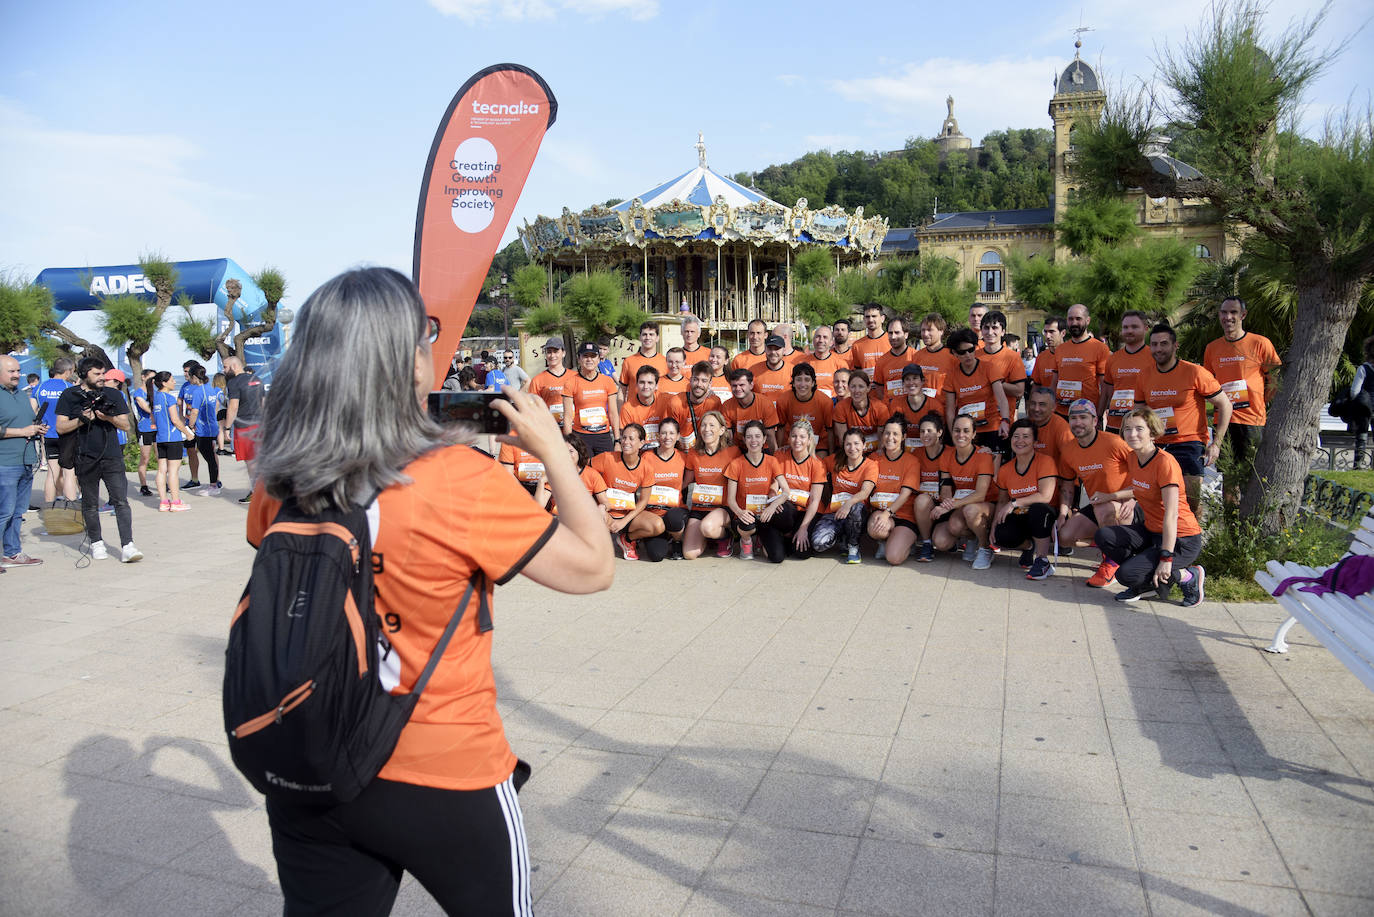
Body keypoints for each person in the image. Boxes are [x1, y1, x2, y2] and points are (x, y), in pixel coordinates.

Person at [245, 266, 612, 915]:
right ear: (406, 365)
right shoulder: (459, 477)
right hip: (444, 767)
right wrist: (554, 451)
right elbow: (592, 565)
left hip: (312, 760)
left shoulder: (282, 477)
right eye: (424, 340)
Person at [1095, 407, 1206, 606]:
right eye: (1127, 429)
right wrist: (1110, 496)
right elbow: (1139, 487)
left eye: (1139, 429)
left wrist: (1166, 558)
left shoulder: (1165, 463)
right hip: (1153, 530)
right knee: (1105, 536)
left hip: (1182, 538)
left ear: (1152, 432)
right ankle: (1146, 579)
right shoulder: (1133, 457)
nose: (1132, 434)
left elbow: (1171, 515)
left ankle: (1187, 576)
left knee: (1125, 575)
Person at [1138, 323, 1232, 515]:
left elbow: (1225, 404)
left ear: (1175, 346)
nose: (1158, 349)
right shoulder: (1144, 375)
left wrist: (1217, 443)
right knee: (1156, 503)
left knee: (1191, 503)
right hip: (1156, 446)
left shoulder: (1194, 372)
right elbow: (1138, 413)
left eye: (1163, 344)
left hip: (1188, 445)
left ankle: (1193, 543)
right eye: (1154, 344)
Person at [55, 358, 141, 562]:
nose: (103, 378)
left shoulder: (113, 393)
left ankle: (128, 545)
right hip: (85, 456)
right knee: (90, 504)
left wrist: (107, 417)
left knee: (121, 501)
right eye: (97, 374)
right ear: (84, 374)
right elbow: (60, 427)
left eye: (104, 374)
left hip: (112, 455)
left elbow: (126, 425)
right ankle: (96, 543)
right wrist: (83, 419)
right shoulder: (69, 395)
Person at [1202, 297, 1282, 500]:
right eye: (1223, 312)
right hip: (1224, 422)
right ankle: (1231, 525)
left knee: (1251, 478)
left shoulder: (1260, 343)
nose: (1228, 317)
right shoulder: (1212, 348)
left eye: (1233, 313)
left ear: (1243, 315)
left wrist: (1261, 402)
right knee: (1228, 477)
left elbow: (1275, 378)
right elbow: (1208, 384)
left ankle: (1250, 525)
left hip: (1251, 421)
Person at [1056, 399, 1136, 587]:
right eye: (1073, 418)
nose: (1078, 422)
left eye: (1083, 417)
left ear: (1095, 421)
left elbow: (1144, 470)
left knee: (1103, 509)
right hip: (1100, 504)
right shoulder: (1068, 451)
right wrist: (1062, 514)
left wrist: (1133, 497)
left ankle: (1112, 562)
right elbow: (1067, 487)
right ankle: (1112, 547)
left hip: (1129, 503)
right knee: (1065, 537)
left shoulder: (1114, 442)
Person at [992, 419, 1059, 580]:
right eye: (1016, 436)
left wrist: (1014, 502)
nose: (1020, 441)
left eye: (1026, 436)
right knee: (1001, 535)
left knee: (1038, 508)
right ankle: (1029, 546)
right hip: (1020, 515)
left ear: (1035, 441)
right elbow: (1001, 501)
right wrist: (994, 525)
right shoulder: (1005, 469)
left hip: (1045, 516)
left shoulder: (1045, 462)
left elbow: (1045, 496)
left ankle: (1042, 560)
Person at [932, 413, 995, 569]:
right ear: (951, 432)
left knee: (971, 511)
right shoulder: (947, 455)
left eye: (966, 431)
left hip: (986, 503)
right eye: (957, 430)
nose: (961, 435)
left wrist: (952, 505)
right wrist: (946, 503)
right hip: (962, 503)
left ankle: (985, 548)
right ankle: (973, 537)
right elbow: (946, 487)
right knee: (950, 531)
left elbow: (980, 494)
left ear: (974, 434)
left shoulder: (983, 456)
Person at [759, 419, 827, 562]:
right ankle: (771, 533)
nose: (797, 440)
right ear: (789, 438)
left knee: (802, 553)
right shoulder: (780, 455)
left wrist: (803, 528)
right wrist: (772, 497)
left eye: (802, 437)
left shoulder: (817, 464)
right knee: (776, 557)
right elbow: (774, 484)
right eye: (794, 436)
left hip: (806, 512)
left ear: (809, 440)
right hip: (785, 509)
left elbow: (815, 501)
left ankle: (787, 537)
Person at [0, 354, 45, 570]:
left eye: (18, 370)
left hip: (26, 461)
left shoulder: (19, 394)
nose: (18, 375)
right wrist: (22, 431)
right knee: (4, 512)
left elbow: (26, 423)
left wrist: (36, 429)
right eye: (12, 371)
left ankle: (12, 553)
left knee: (18, 512)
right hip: (5, 463)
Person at [812, 428, 877, 562]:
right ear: (843, 446)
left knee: (856, 507)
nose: (852, 448)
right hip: (834, 512)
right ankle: (842, 538)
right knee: (819, 544)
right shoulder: (835, 460)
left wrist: (848, 504)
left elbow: (865, 492)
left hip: (856, 513)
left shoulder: (870, 465)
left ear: (864, 445)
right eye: (848, 444)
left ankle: (853, 546)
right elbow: (815, 461)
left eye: (856, 443)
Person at [681, 410, 739, 559]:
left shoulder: (733, 452)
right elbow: (686, 482)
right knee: (689, 554)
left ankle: (726, 537)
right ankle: (709, 537)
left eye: (712, 425)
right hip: (700, 507)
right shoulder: (694, 453)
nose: (707, 429)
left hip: (723, 508)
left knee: (707, 527)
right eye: (704, 425)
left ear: (721, 430)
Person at [724, 420, 785, 561]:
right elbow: (731, 500)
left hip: (765, 516)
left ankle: (761, 538)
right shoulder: (736, 464)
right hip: (746, 516)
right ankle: (746, 540)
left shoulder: (772, 461)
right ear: (744, 439)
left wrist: (773, 506)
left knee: (777, 558)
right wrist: (740, 512)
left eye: (758, 436)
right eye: (749, 437)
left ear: (764, 439)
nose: (753, 441)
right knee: (747, 524)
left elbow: (786, 491)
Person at [590, 424, 653, 559]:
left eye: (631, 438)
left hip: (627, 516)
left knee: (656, 526)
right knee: (599, 555)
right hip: (605, 513)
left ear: (641, 443)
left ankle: (627, 539)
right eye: (624, 438)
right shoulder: (607, 458)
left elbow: (643, 501)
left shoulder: (646, 468)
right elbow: (583, 469)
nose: (626, 442)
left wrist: (624, 521)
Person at [944, 328, 1010, 453]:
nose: (968, 355)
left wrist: (1005, 421)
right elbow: (950, 410)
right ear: (955, 353)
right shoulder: (951, 375)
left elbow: (1001, 399)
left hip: (992, 427)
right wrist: (954, 433)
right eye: (962, 352)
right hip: (967, 432)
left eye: (971, 350)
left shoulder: (989, 368)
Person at [866, 415, 921, 565]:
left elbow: (905, 495)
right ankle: (885, 541)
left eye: (895, 434)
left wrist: (887, 514)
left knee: (894, 558)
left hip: (904, 516)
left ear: (903, 437)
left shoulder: (912, 461)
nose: (890, 437)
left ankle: (907, 542)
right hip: (880, 511)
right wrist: (883, 515)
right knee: (875, 529)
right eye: (887, 433)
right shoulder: (873, 458)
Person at [635, 417, 689, 561]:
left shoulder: (683, 458)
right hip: (653, 513)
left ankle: (677, 540)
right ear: (658, 435)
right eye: (663, 433)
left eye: (671, 433)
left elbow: (691, 477)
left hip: (675, 509)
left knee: (674, 518)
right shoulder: (647, 457)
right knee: (656, 556)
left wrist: (678, 489)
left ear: (678, 436)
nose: (667, 437)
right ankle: (660, 535)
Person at [1051, 304, 1111, 418]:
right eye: (1070, 319)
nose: (1074, 323)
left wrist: (1098, 414)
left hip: (1087, 413)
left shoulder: (1100, 348)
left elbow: (1105, 387)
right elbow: (1054, 383)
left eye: (1078, 319)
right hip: (1061, 412)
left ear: (1088, 321)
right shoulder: (1060, 349)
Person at [562, 342, 621, 456]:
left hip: (603, 436)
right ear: (579, 359)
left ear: (599, 359)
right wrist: (569, 442)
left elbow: (613, 413)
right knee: (585, 471)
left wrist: (617, 440)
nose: (589, 360)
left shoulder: (607, 381)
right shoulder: (570, 382)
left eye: (593, 356)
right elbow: (568, 416)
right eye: (585, 356)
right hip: (581, 436)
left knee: (606, 469)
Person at [1101, 311, 1155, 434]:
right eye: (1125, 327)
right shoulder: (1113, 358)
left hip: (1142, 425)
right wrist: (1099, 416)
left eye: (1134, 327)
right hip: (1115, 424)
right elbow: (1107, 392)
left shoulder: (1154, 357)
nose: (1129, 331)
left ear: (1146, 329)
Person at [149, 370, 195, 512]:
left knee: (162, 470)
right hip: (173, 438)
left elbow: (153, 418)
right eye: (172, 379)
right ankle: (175, 502)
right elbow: (175, 419)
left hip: (160, 438)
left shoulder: (155, 397)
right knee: (173, 471)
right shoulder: (169, 398)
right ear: (164, 383)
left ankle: (163, 502)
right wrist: (187, 433)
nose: (174, 382)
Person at [34, 357, 77, 505]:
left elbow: (32, 411)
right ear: (68, 371)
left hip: (48, 434)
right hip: (67, 434)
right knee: (68, 472)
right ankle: (72, 509)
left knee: (52, 473)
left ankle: (48, 510)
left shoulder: (39, 388)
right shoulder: (69, 387)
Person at [223, 355, 266, 504]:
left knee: (251, 463)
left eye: (225, 367)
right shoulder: (257, 379)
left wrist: (226, 427)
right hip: (260, 424)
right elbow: (264, 402)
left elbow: (233, 407)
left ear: (234, 366)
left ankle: (257, 493)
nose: (224, 370)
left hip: (245, 426)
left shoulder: (234, 383)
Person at [909, 412, 949, 563]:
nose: (925, 434)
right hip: (925, 505)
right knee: (921, 500)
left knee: (943, 543)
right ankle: (926, 542)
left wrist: (986, 450)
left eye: (929, 431)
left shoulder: (950, 452)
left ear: (939, 432)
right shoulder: (916, 454)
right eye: (922, 431)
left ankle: (962, 539)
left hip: (946, 506)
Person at [183, 364, 225, 495]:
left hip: (203, 429)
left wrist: (189, 426)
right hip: (212, 427)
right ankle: (215, 483)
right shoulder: (211, 389)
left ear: (195, 377)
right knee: (211, 456)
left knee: (209, 457)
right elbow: (216, 406)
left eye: (190, 376)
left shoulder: (198, 391)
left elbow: (194, 412)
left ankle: (213, 486)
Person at [776, 362, 834, 456]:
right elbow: (781, 427)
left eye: (807, 380)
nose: (803, 384)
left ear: (813, 383)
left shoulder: (825, 402)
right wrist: (778, 449)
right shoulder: (783, 400)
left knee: (820, 463)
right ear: (793, 383)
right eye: (799, 380)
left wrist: (831, 455)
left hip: (818, 444)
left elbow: (830, 430)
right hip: (794, 442)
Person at [664, 361, 722, 449]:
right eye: (696, 379)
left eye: (704, 381)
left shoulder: (714, 402)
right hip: (681, 453)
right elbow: (668, 433)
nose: (699, 384)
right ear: (690, 380)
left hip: (704, 452)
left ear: (710, 384)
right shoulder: (676, 402)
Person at [721, 367, 780, 451]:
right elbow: (728, 438)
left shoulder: (765, 403)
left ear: (751, 385)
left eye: (741, 385)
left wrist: (774, 457)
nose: (738, 389)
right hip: (739, 448)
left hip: (763, 447)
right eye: (734, 385)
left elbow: (770, 436)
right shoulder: (727, 406)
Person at [832, 370, 889, 454]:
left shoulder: (880, 408)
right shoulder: (841, 407)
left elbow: (882, 442)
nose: (856, 391)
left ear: (868, 388)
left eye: (861, 386)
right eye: (853, 386)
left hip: (875, 451)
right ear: (849, 387)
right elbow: (843, 440)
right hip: (851, 451)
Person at [978, 310, 1026, 406]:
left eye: (994, 328)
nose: (990, 332)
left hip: (1002, 417)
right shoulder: (973, 356)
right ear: (982, 331)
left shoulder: (1013, 357)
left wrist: (994, 382)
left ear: (1003, 332)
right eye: (986, 328)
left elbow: (1019, 392)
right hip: (977, 416)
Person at [618, 364, 667, 449]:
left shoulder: (666, 401)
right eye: (642, 382)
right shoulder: (627, 408)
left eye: (650, 383)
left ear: (656, 386)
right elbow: (625, 439)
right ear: (636, 385)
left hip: (662, 450)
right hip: (639, 452)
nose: (646, 387)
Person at [526, 337, 570, 427]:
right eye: (549, 352)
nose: (552, 355)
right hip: (550, 429)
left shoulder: (574, 377)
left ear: (564, 353)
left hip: (573, 430)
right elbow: (532, 408)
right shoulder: (537, 380)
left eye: (556, 351)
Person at [873, 316, 919, 400]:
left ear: (906, 334)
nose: (893, 337)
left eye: (897, 332)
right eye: (890, 333)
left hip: (912, 409)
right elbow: (879, 390)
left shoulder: (916, 356)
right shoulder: (881, 361)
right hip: (890, 410)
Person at [618, 322, 666, 399]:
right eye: (644, 334)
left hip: (658, 410)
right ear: (639, 337)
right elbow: (621, 390)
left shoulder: (665, 362)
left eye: (651, 334)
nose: (647, 337)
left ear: (657, 338)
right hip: (634, 409)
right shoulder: (629, 361)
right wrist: (621, 410)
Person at [914, 312, 955, 402]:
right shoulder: (917, 356)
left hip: (942, 409)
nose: (925, 334)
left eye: (929, 330)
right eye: (923, 330)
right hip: (920, 408)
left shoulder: (952, 357)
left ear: (941, 331)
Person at [1347, 335, 1374, 469]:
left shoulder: (1364, 369)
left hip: (1365, 407)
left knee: (1361, 437)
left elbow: (1354, 391)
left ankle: (1358, 464)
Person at [179, 361, 206, 488]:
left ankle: (215, 480)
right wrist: (181, 419)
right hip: (188, 425)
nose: (185, 374)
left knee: (208, 452)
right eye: (184, 371)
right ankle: (194, 479)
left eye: (187, 371)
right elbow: (180, 402)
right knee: (190, 451)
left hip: (202, 424)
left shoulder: (202, 386)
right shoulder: (185, 386)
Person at [804, 324, 847, 398]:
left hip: (833, 405)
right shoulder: (804, 363)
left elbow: (846, 390)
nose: (821, 340)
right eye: (818, 337)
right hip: (810, 404)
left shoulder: (840, 364)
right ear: (813, 340)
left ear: (831, 342)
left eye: (825, 337)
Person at [132, 368, 157, 495]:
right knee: (145, 458)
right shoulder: (138, 393)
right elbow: (147, 409)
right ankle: (144, 485)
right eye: (151, 378)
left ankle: (164, 482)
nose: (153, 381)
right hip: (145, 429)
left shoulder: (156, 392)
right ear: (143, 377)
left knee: (161, 457)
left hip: (157, 428)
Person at [751, 335, 794, 408]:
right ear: (765, 349)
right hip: (761, 416)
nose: (773, 352)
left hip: (785, 416)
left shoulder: (793, 370)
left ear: (784, 350)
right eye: (770, 348)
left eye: (777, 349)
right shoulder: (753, 370)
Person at [849, 303, 889, 381]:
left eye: (874, 316)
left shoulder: (891, 341)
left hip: (888, 391)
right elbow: (857, 373)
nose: (870, 320)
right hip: (867, 391)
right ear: (864, 319)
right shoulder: (857, 345)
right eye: (867, 317)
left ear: (882, 318)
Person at [1030, 315, 1063, 392]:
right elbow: (1036, 386)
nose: (1047, 336)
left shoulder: (1071, 355)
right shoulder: (1041, 357)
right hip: (1047, 402)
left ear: (1063, 333)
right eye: (1045, 332)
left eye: (1052, 332)